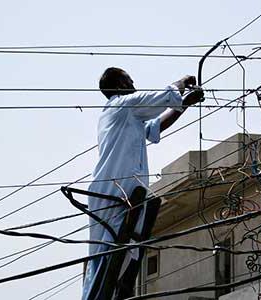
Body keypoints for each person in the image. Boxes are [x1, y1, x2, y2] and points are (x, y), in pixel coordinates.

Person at [82, 67, 204, 299]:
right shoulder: (123, 105)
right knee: (105, 255)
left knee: (125, 251)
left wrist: (185, 103)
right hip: (111, 189)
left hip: (125, 191)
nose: (134, 83)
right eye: (129, 80)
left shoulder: (129, 115)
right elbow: (158, 98)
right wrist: (182, 81)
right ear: (119, 85)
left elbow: (155, 127)